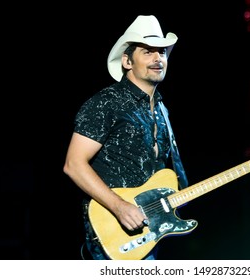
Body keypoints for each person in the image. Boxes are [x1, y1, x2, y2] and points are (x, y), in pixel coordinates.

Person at [63, 15, 188, 260]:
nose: (157, 59)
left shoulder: (162, 110)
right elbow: (73, 165)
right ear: (127, 61)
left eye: (161, 52)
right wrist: (120, 207)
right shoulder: (107, 103)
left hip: (148, 234)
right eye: (147, 52)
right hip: (113, 233)